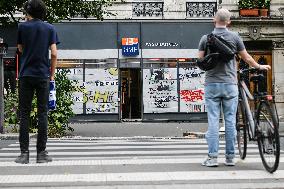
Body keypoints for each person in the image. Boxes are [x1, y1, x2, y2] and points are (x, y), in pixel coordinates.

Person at [198, 8, 270, 167]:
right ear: (229, 22)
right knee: (230, 121)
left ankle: (212, 158)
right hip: (230, 85)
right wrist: (259, 66)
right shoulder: (234, 37)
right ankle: (230, 158)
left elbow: (200, 61)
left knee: (213, 121)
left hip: (212, 84)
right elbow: (247, 58)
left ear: (214, 20)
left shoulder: (205, 38)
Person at [15, 0, 59, 164]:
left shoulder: (22, 27)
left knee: (24, 114)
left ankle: (24, 154)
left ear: (29, 12)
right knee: (42, 114)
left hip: (26, 74)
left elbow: (20, 49)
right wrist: (52, 75)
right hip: (42, 75)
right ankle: (41, 154)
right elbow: (54, 53)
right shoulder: (50, 28)